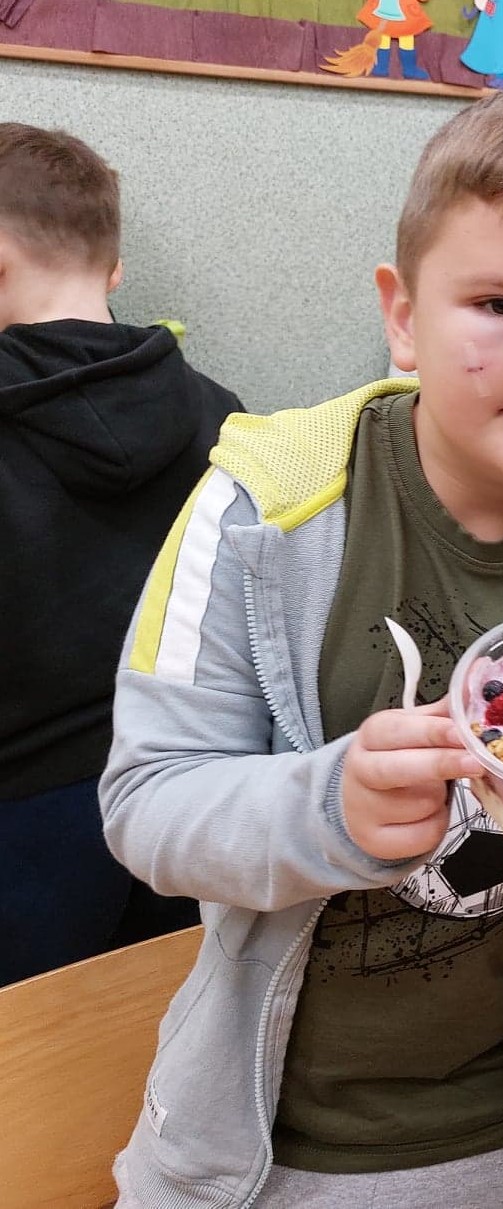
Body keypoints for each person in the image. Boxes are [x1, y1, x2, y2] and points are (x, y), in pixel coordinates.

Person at [101, 86, 503, 1209]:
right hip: (279, 1143)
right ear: (402, 314)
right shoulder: (263, 508)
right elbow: (148, 806)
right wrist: (330, 806)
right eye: (500, 304)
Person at [0, 123, 242, 987]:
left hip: (24, 821)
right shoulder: (227, 415)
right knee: (171, 1025)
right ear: (114, 270)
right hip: (195, 795)